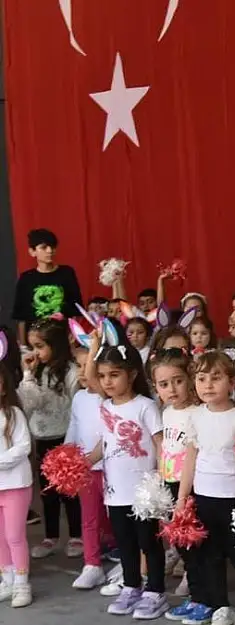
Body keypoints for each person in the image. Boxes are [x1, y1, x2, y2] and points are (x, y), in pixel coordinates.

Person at [176, 348, 235, 625]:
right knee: (210, 554)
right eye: (201, 379)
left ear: (232, 382)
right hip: (204, 496)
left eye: (216, 378)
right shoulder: (197, 416)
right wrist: (182, 497)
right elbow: (191, 457)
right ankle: (220, 605)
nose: (208, 385)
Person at [83, 331, 166, 618]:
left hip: (144, 491)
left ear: (131, 375)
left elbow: (160, 444)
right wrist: (84, 461)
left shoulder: (145, 405)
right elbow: (105, 443)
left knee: (149, 543)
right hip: (116, 491)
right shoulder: (105, 406)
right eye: (103, 375)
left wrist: (162, 479)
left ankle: (156, 591)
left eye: (114, 375)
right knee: (125, 543)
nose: (106, 381)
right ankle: (131, 586)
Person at [17, 319, 82, 560]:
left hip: (66, 437)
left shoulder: (71, 372)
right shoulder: (36, 371)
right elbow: (28, 403)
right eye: (32, 346)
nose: (35, 352)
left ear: (55, 345)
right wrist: (27, 375)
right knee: (48, 491)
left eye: (40, 346)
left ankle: (76, 535)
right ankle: (51, 535)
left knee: (69, 491)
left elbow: (79, 405)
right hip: (42, 438)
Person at [147, 348, 200, 601]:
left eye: (178, 381)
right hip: (169, 479)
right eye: (164, 384)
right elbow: (164, 447)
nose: (172, 389)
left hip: (190, 483)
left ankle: (194, 573)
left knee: (191, 532)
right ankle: (188, 565)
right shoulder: (166, 413)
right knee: (174, 531)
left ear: (189, 378)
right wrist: (159, 473)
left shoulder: (196, 413)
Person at [66, 347, 115, 590]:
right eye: (78, 365)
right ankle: (91, 563)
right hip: (87, 469)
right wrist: (67, 457)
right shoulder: (78, 398)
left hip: (112, 467)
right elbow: (74, 427)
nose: (83, 371)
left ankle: (120, 555)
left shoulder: (107, 397)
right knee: (89, 517)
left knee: (114, 516)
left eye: (88, 365)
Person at [11, 228, 84, 345]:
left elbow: (77, 309)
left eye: (52, 247)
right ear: (32, 251)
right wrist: (23, 346)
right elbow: (21, 316)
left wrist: (75, 336)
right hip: (36, 340)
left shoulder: (66, 273)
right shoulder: (26, 278)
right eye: (44, 247)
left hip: (63, 338)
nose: (50, 251)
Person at [0, 354, 33, 608]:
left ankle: (22, 583)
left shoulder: (13, 414)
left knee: (14, 535)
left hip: (15, 485)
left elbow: (23, 447)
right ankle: (7, 579)